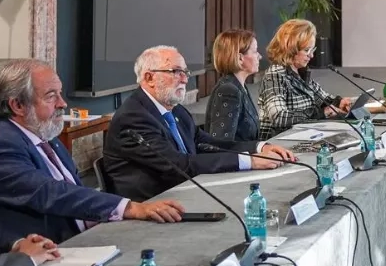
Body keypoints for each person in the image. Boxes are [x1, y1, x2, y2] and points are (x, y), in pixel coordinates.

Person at [0, 59, 186, 250]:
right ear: (18, 105)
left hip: (90, 235)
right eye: (51, 96)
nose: (62, 103)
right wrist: (129, 208)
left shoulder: (47, 137)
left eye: (60, 93)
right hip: (52, 249)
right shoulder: (2, 142)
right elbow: (48, 192)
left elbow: (75, 191)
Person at [104, 46, 288, 202]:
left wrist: (258, 147)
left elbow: (207, 143)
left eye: (185, 72)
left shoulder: (176, 110)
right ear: (149, 78)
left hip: (186, 193)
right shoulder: (133, 118)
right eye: (175, 72)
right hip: (155, 206)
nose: (185, 79)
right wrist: (250, 161)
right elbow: (178, 165)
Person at [206, 30, 298, 162]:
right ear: (240, 58)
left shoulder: (239, 86)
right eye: (255, 51)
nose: (259, 56)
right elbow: (221, 146)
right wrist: (260, 149)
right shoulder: (229, 90)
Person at [258, 19, 353, 139]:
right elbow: (279, 117)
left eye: (312, 50)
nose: (311, 56)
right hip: (278, 141)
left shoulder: (300, 72)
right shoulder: (275, 75)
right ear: (290, 49)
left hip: (301, 137)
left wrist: (339, 103)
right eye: (306, 50)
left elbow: (324, 99)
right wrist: (321, 112)